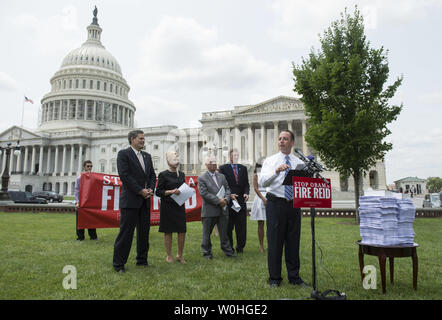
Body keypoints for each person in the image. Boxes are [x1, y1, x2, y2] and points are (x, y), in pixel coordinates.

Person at [259, 130, 308, 288]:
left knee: (293, 242)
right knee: (275, 242)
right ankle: (275, 278)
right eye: (280, 139)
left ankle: (294, 277)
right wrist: (276, 171)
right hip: (275, 204)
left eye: (285, 139)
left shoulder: (298, 162)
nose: (281, 141)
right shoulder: (270, 161)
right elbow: (263, 182)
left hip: (293, 205)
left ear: (292, 143)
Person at [112, 130, 156, 273]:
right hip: (131, 200)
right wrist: (140, 190)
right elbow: (125, 176)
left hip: (145, 201)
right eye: (140, 138)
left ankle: (142, 260)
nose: (143, 141)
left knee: (144, 232)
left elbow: (152, 176)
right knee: (126, 233)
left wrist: (150, 189)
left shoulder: (147, 156)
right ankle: (119, 264)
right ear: (132, 139)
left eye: (144, 139)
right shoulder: (123, 154)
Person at [198, 154, 236, 259]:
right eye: (211, 162)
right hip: (209, 211)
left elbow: (228, 189)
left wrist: (226, 200)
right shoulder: (202, 178)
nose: (214, 164)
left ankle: (228, 251)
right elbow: (204, 194)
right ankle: (207, 253)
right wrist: (218, 201)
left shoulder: (222, 176)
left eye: (215, 162)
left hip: (223, 210)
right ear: (206, 164)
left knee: (224, 234)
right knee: (206, 235)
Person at [155, 151, 187, 264]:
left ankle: (180, 255)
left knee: (182, 231)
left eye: (177, 159)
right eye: (173, 159)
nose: (176, 162)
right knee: (168, 231)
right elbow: (158, 192)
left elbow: (184, 188)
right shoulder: (163, 175)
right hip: (167, 206)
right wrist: (171, 191)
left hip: (179, 205)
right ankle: (169, 255)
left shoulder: (182, 175)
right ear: (168, 161)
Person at [219, 149, 250, 254]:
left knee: (241, 226)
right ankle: (229, 247)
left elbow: (246, 184)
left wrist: (246, 193)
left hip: (241, 201)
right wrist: (229, 195)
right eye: (234, 155)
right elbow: (221, 185)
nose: (236, 157)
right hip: (229, 201)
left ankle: (240, 247)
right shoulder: (223, 168)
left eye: (237, 155)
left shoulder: (243, 168)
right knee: (228, 226)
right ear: (230, 157)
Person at [74, 160, 97, 241]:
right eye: (88, 166)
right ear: (84, 167)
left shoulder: (94, 177)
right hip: (82, 202)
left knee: (91, 220)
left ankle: (93, 236)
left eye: (91, 166)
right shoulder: (80, 178)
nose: (89, 168)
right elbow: (77, 190)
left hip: (90, 202)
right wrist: (77, 202)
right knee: (80, 220)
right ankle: (80, 237)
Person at [250, 160, 266, 253]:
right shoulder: (256, 175)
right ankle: (261, 246)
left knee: (272, 224)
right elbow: (256, 188)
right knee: (261, 224)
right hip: (260, 198)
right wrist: (263, 199)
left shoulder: (269, 175)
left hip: (270, 198)